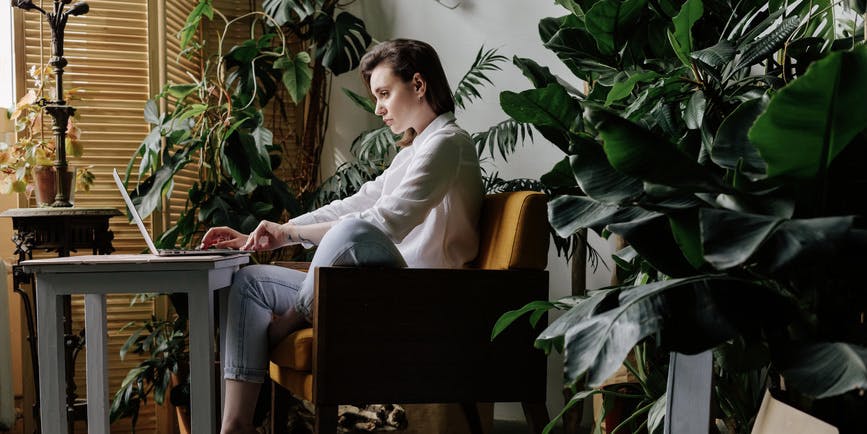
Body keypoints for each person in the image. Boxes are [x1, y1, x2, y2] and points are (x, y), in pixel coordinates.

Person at [202, 38, 484, 434]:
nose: (378, 108)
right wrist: (278, 233)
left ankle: (293, 317)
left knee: (357, 230)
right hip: (374, 288)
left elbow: (384, 222)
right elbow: (355, 203)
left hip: (422, 296)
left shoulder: (449, 144)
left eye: (385, 93)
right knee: (250, 283)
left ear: (419, 86)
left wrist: (291, 232)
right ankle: (235, 427)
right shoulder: (413, 152)